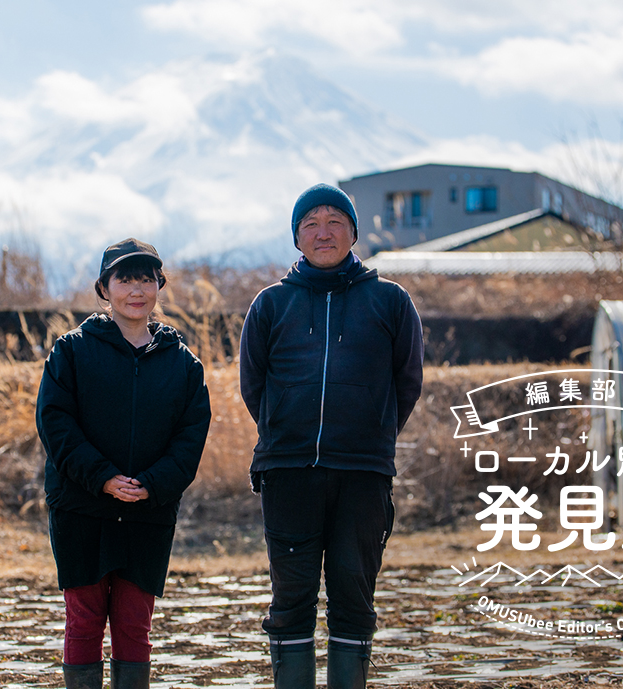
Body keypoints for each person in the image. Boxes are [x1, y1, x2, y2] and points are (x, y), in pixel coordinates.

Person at [239, 184, 424, 689]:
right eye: (311, 224)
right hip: (289, 473)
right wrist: (287, 435)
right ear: (297, 238)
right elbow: (253, 385)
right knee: (292, 598)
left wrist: (370, 436)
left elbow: (407, 383)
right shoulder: (271, 304)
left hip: (363, 475)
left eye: (334, 221)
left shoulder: (389, 300)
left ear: (353, 232)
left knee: (353, 592)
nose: (323, 232)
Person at [36, 238, 211, 689]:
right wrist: (103, 478)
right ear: (104, 287)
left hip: (147, 512)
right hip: (82, 507)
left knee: (135, 625)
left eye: (146, 279)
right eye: (124, 278)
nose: (137, 289)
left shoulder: (183, 365)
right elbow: (55, 425)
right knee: (84, 622)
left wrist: (151, 484)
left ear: (159, 286)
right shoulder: (72, 352)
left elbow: (190, 438)